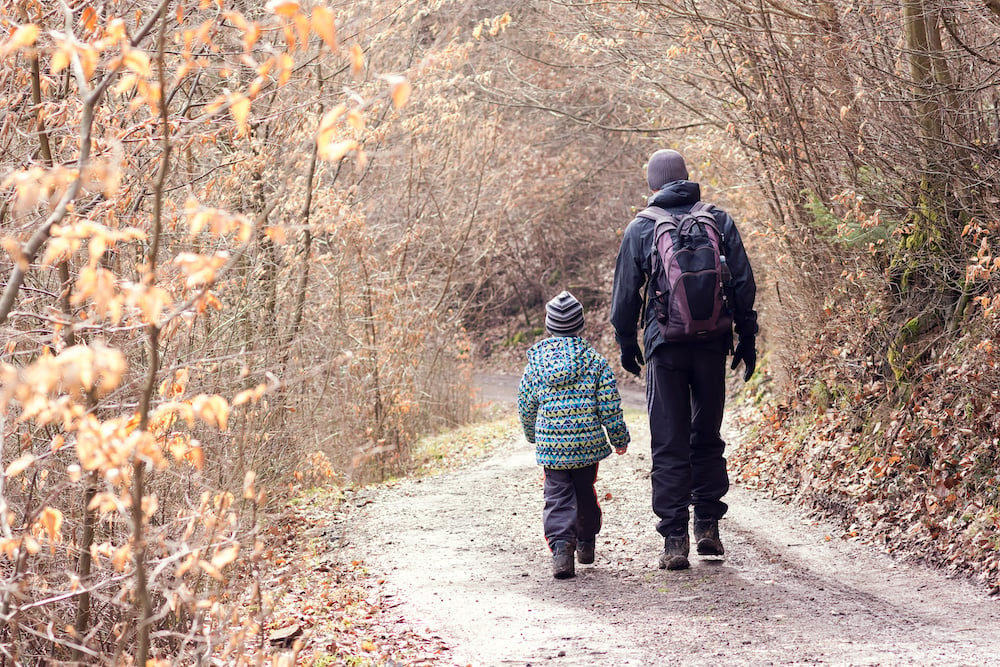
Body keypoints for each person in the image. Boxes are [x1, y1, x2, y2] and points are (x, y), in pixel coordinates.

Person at [610, 149, 758, 571]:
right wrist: (746, 339)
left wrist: (627, 343)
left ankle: (674, 540)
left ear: (653, 184)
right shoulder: (719, 220)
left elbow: (624, 297)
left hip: (665, 348)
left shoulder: (641, 227)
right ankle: (708, 525)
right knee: (706, 436)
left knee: (669, 441)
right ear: (687, 179)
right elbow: (743, 285)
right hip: (713, 343)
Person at [518, 290, 631, 579]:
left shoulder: (536, 365)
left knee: (556, 497)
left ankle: (561, 552)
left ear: (548, 325)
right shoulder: (595, 362)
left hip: (552, 447)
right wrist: (619, 438)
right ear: (580, 325)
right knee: (584, 491)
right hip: (586, 445)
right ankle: (586, 542)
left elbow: (526, 405)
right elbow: (609, 405)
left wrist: (533, 434)